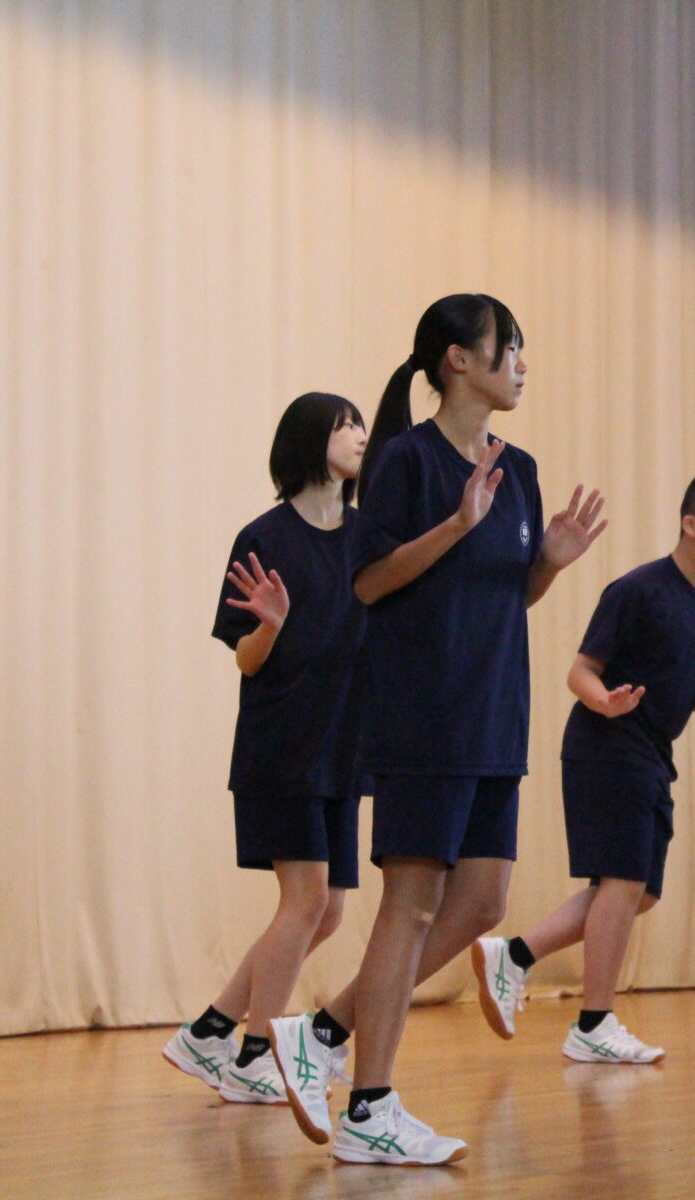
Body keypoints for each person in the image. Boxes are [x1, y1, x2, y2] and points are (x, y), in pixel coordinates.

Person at [271, 294, 606, 1166]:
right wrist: (456, 525)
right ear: (459, 360)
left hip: (497, 712)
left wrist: (549, 565)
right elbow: (370, 583)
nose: (523, 364)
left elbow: (507, 594)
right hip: (425, 714)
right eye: (511, 348)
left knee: (485, 903)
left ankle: (327, 1032)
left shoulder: (520, 468)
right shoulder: (405, 463)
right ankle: (369, 1107)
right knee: (411, 907)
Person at [475, 471, 695, 1063]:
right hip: (606, 744)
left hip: (651, 752)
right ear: (691, 525)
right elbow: (580, 672)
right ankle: (594, 1023)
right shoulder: (638, 590)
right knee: (621, 883)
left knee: (637, 894)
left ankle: (512, 956)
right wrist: (604, 700)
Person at [162, 393, 369, 1106]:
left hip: (345, 744)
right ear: (309, 440)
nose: (359, 435)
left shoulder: (368, 535)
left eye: (362, 423)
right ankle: (257, 1053)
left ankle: (211, 1029)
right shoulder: (264, 537)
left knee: (330, 908)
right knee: (306, 897)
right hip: (282, 744)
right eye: (345, 424)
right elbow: (247, 661)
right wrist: (273, 624)